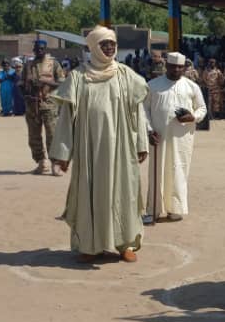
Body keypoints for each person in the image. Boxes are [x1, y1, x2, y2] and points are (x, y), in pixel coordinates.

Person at [50, 26, 150, 264]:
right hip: (89, 149)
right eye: (104, 44)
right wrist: (63, 154)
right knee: (89, 193)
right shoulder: (78, 77)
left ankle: (125, 243)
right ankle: (89, 244)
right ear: (93, 47)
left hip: (122, 147)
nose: (109, 48)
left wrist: (141, 143)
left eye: (112, 44)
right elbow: (66, 118)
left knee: (124, 193)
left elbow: (138, 113)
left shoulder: (127, 75)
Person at [144, 52, 207, 223]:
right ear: (167, 66)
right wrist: (149, 130)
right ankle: (153, 210)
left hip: (182, 137)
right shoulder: (152, 85)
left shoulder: (192, 87)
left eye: (180, 67)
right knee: (156, 171)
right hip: (158, 135)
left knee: (179, 170)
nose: (177, 69)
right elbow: (143, 111)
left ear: (185, 68)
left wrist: (192, 117)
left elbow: (202, 108)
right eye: (173, 66)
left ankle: (175, 209)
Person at [23, 39, 66, 175]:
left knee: (52, 135)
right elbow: (20, 83)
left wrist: (46, 82)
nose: (39, 51)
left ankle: (55, 164)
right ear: (34, 50)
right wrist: (25, 94)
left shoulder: (53, 64)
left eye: (42, 48)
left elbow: (62, 82)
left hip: (49, 104)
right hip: (32, 105)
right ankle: (41, 162)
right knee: (34, 136)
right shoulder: (28, 65)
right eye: (37, 49)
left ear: (45, 49)